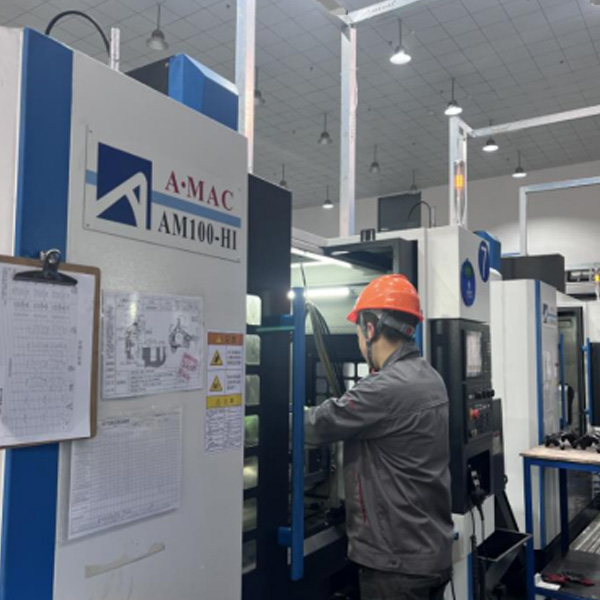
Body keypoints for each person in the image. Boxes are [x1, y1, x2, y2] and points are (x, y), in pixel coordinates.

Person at [304, 274, 454, 600]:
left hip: (397, 564)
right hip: (430, 549)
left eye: (359, 333)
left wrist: (265, 416)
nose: (360, 345)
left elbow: (318, 424)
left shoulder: (385, 387)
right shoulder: (430, 377)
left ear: (370, 329)